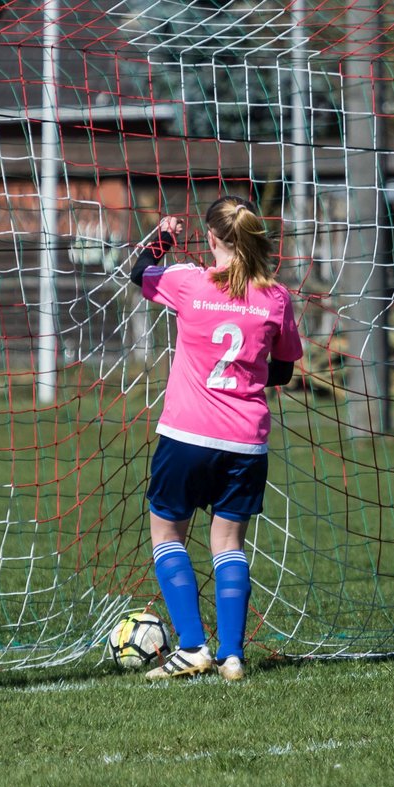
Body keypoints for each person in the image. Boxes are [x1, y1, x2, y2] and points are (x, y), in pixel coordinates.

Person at [128, 196, 303, 681]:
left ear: (210, 237)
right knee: (228, 543)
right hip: (246, 441)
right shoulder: (277, 299)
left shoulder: (187, 281)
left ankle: (191, 647)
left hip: (186, 433)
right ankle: (232, 656)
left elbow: (139, 272)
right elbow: (284, 371)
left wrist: (162, 237)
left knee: (167, 533)